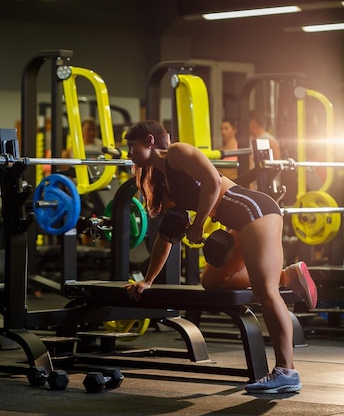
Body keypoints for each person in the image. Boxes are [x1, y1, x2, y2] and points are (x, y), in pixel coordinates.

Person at [124, 120, 318, 394]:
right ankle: (287, 275)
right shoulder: (166, 183)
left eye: (132, 146)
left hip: (254, 211)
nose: (128, 152)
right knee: (213, 281)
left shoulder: (178, 153)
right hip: (237, 222)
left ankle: (287, 372)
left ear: (150, 141)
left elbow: (214, 183)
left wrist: (199, 223)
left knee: (266, 292)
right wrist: (148, 280)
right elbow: (166, 236)